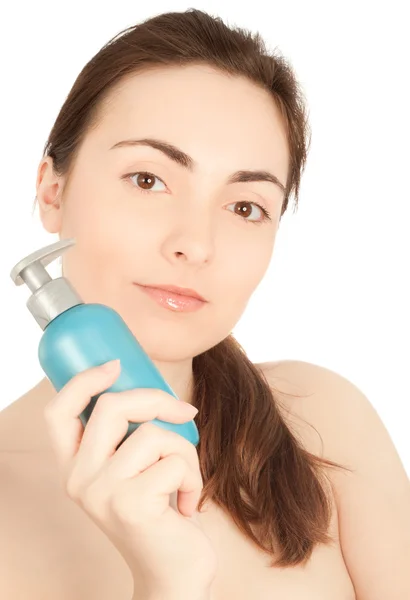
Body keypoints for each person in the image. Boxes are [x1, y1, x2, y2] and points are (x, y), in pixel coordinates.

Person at [1, 8, 409, 600]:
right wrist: (166, 583)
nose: (196, 244)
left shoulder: (320, 424)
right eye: (148, 180)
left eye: (245, 207)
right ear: (52, 191)